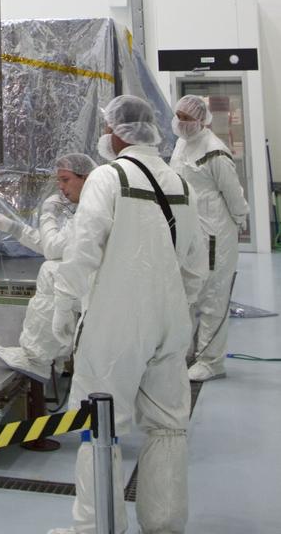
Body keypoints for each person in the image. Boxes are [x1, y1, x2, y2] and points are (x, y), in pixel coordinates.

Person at [48, 96, 206, 534]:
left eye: (106, 127)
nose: (104, 134)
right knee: (168, 424)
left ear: (118, 132)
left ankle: (97, 527)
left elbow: (83, 249)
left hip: (115, 324)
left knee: (101, 425)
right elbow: (197, 266)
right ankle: (164, 523)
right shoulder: (180, 183)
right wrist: (175, 308)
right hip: (170, 322)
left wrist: (64, 302)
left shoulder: (108, 177)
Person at [0, 153, 96, 382]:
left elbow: (53, 249)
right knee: (55, 269)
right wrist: (14, 228)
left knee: (51, 271)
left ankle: (36, 358)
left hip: (100, 286)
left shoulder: (91, 210)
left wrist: (48, 214)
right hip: (95, 280)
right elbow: (58, 245)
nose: (61, 187)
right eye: (59, 181)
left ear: (85, 177)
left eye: (65, 180)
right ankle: (55, 355)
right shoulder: (88, 206)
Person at [170, 93, 249, 382]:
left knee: (213, 297)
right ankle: (186, 352)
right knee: (188, 294)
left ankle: (211, 361)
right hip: (189, 231)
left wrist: (239, 219)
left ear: (202, 120)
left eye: (187, 118)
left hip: (215, 235)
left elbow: (233, 194)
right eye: (178, 116)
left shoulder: (215, 152)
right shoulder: (181, 144)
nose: (181, 122)